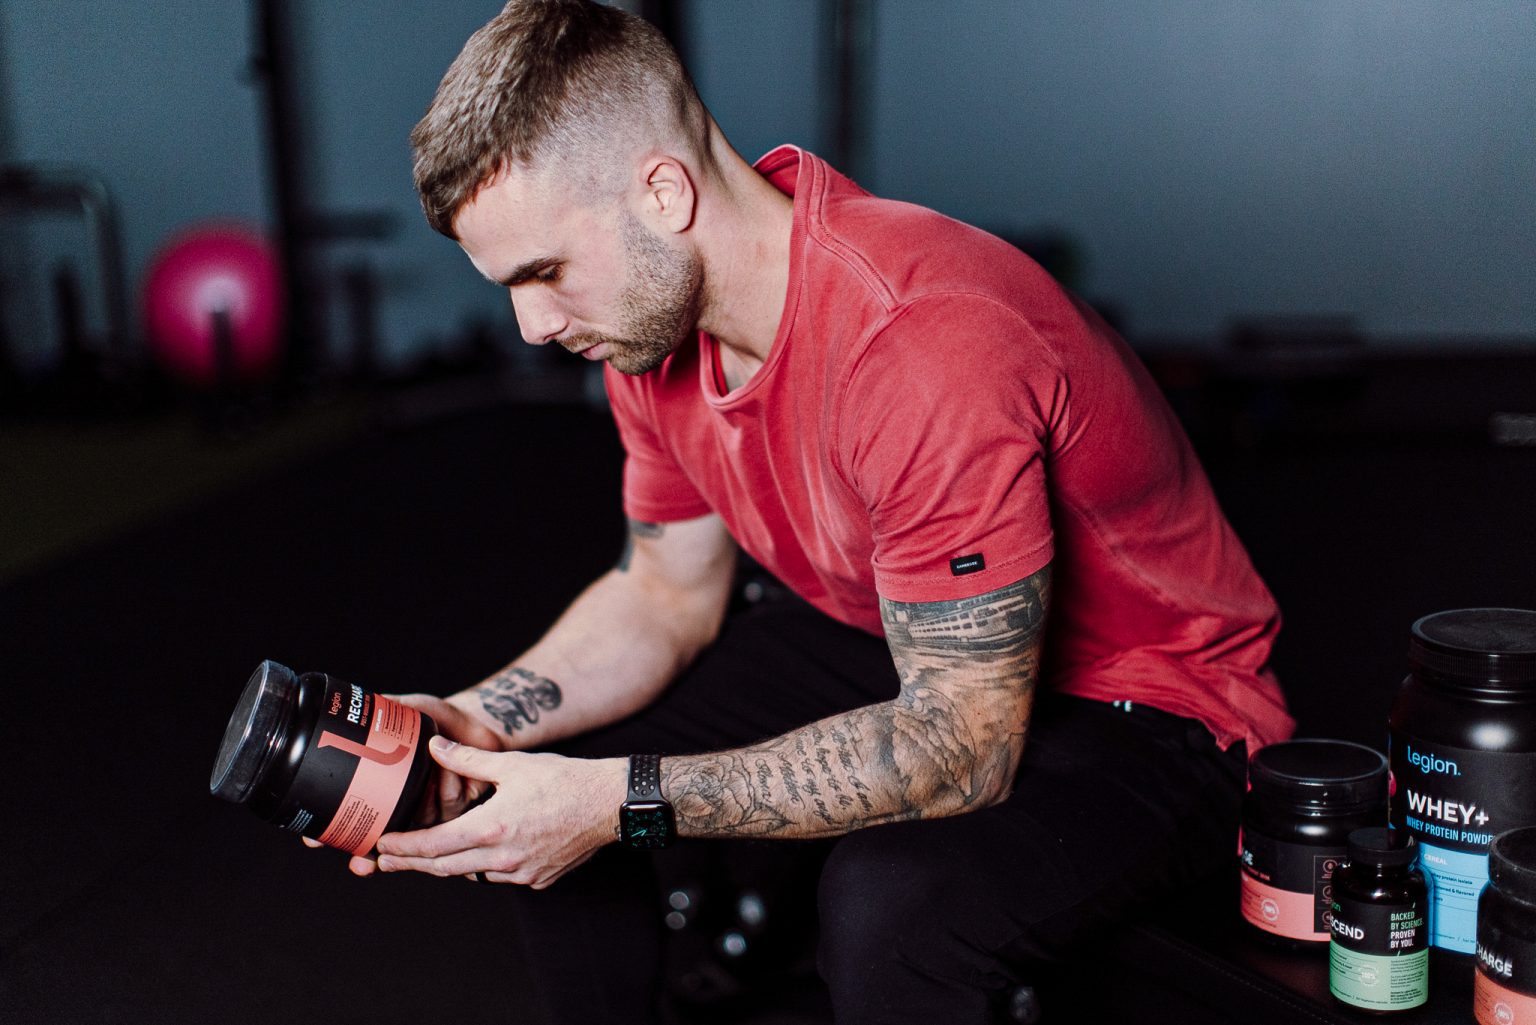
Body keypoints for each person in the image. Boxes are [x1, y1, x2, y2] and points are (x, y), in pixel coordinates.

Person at [350, 1, 1295, 1021]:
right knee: (544, 780)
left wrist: (619, 801)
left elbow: (962, 747)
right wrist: (473, 721)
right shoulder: (640, 329)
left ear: (662, 191)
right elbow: (664, 593)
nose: (531, 326)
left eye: (543, 272)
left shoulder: (923, 343)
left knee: (891, 904)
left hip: (1155, 704)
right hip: (888, 628)